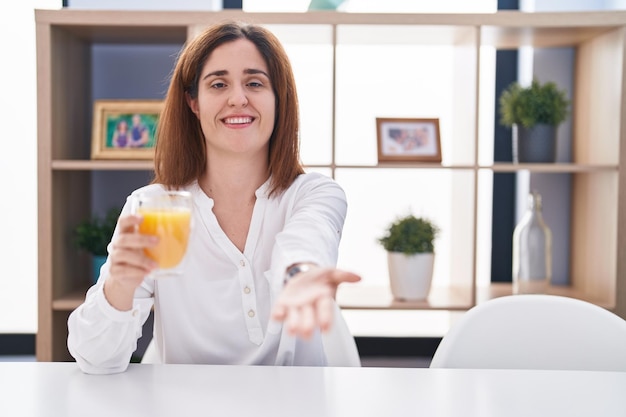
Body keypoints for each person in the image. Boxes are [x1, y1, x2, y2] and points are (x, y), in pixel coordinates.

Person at [67, 21, 361, 374]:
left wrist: (299, 275)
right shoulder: (154, 206)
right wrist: (120, 285)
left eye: (255, 83)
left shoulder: (313, 193)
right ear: (193, 101)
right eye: (218, 84)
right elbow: (94, 361)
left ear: (279, 99)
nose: (238, 98)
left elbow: (306, 240)